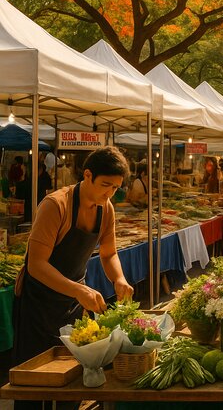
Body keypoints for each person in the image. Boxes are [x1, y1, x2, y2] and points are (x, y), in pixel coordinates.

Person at [12, 147, 133, 377]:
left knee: (73, 373)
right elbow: (36, 265)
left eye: (115, 188)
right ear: (87, 175)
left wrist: (119, 279)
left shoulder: (106, 209)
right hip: (38, 304)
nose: (110, 193)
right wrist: (78, 289)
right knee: (35, 380)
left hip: (73, 303)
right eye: (105, 185)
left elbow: (108, 254)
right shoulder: (56, 205)